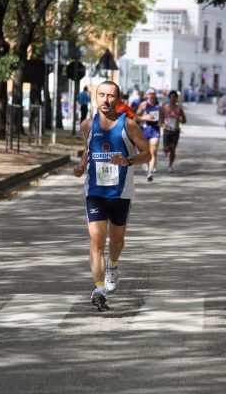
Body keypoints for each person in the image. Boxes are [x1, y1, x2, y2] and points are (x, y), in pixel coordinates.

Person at [74, 80, 151, 311]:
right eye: (102, 95)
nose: (106, 100)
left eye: (111, 96)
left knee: (116, 242)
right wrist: (81, 166)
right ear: (96, 98)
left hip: (121, 191)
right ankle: (98, 288)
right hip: (95, 191)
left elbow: (147, 154)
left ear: (118, 100)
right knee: (97, 240)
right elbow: (88, 150)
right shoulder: (87, 124)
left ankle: (113, 265)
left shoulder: (129, 125)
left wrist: (128, 160)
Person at [135, 87, 162, 182]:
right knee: (145, 152)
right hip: (145, 130)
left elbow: (163, 117)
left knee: (153, 151)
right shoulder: (143, 105)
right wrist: (144, 117)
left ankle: (150, 173)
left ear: (155, 95)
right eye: (149, 93)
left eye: (153, 93)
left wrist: (163, 123)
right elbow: (136, 117)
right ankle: (147, 163)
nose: (151, 95)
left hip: (155, 130)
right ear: (147, 95)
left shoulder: (160, 105)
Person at [161, 90, 187, 173]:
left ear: (176, 98)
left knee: (173, 149)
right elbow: (161, 117)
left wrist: (180, 120)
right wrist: (162, 124)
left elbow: (184, 120)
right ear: (169, 98)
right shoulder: (165, 107)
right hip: (167, 130)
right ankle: (165, 151)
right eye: (171, 97)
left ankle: (170, 165)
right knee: (166, 148)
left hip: (175, 131)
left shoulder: (179, 109)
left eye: (174, 97)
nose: (172, 99)